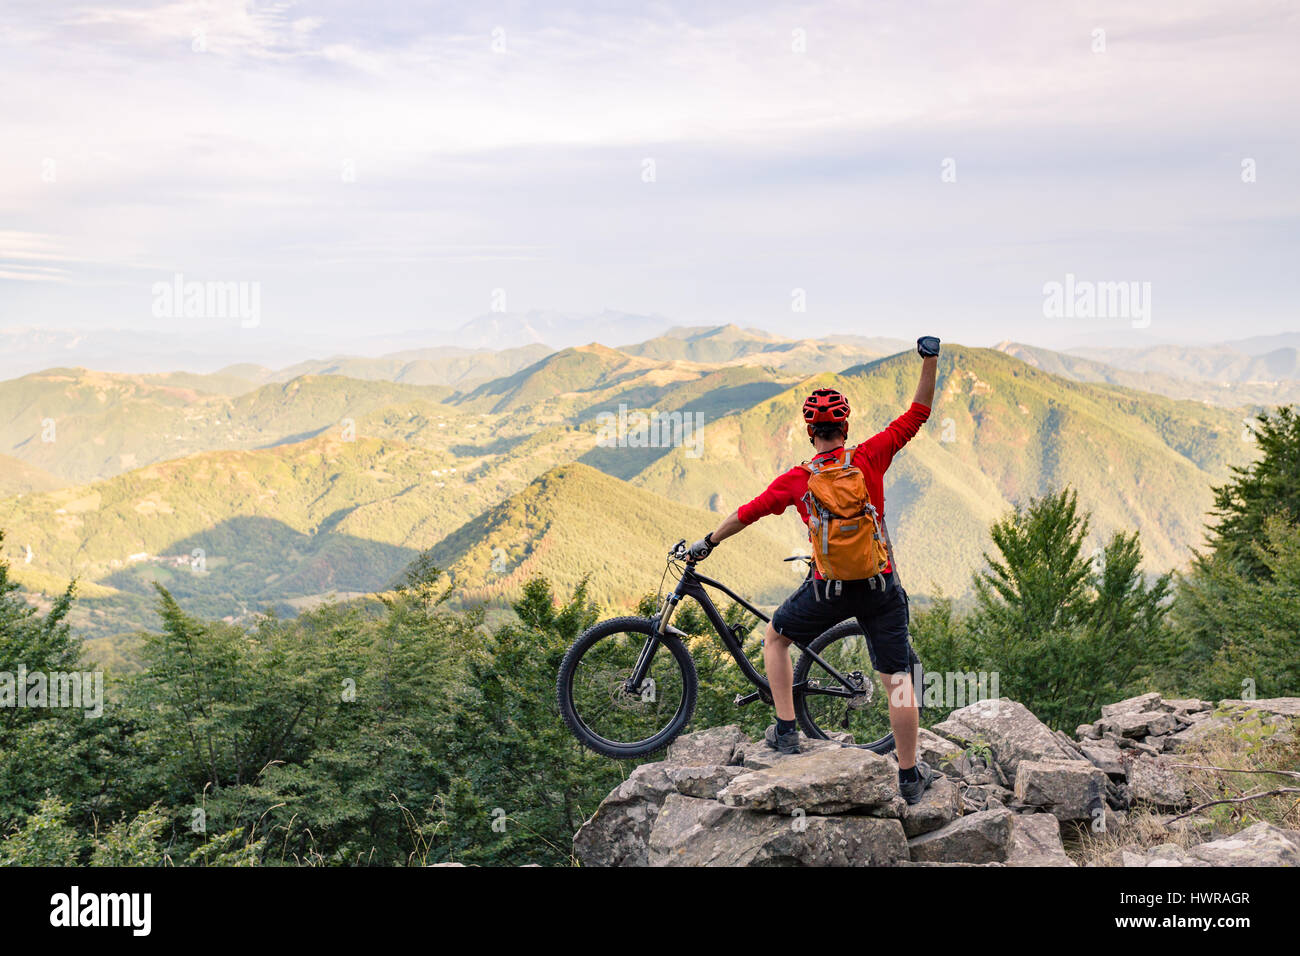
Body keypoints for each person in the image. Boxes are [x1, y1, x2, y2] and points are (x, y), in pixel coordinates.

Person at [687, 336, 940, 804]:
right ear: (845, 426)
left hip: (830, 590)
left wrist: (708, 542)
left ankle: (786, 729)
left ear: (811, 432)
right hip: (882, 585)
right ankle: (908, 778)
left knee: (777, 637)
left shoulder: (798, 480)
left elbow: (748, 512)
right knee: (898, 683)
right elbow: (919, 412)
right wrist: (930, 357)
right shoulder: (870, 457)